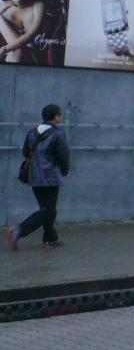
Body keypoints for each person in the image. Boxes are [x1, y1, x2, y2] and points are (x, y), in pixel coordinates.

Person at [8, 104, 71, 249]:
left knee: (47, 209)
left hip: (33, 176)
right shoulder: (58, 133)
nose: (61, 117)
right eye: (60, 114)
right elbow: (63, 155)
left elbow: (25, 152)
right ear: (56, 116)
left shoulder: (32, 131)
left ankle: (50, 239)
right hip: (50, 177)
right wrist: (64, 170)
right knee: (48, 211)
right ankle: (19, 229)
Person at [0, 0, 46, 64]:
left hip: (36, 56)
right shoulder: (5, 11)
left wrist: (4, 49)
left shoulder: (38, 5)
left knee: (18, 51)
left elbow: (31, 35)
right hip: (16, 54)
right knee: (18, 51)